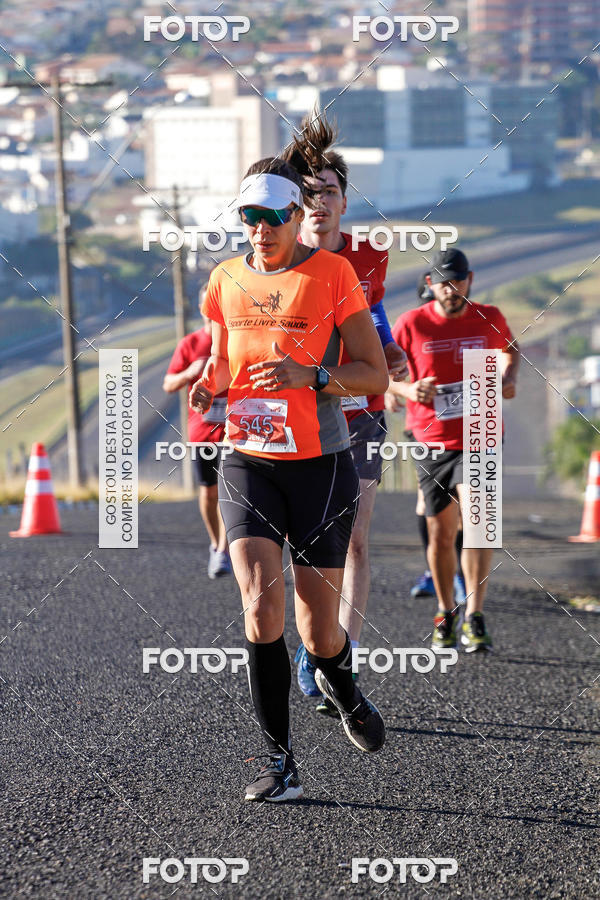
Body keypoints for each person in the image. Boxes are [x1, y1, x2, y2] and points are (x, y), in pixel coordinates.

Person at [190, 154, 389, 802]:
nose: (262, 229)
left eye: (275, 217)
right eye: (251, 217)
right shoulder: (222, 280)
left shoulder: (332, 276)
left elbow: (375, 373)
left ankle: (343, 684)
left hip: (320, 466)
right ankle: (279, 764)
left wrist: (314, 378)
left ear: (298, 218)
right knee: (257, 606)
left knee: (318, 630)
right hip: (247, 460)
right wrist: (208, 384)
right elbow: (222, 361)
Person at [290, 113, 408, 716]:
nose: (319, 202)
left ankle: (343, 658)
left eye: (329, 191)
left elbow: (376, 323)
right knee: (312, 543)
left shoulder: (370, 259)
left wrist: (391, 352)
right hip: (301, 415)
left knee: (357, 537)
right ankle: (316, 641)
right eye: (308, 193)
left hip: (360, 409)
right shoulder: (280, 261)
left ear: (344, 201)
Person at [389, 248, 519, 652]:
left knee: (479, 521)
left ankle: (475, 614)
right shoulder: (411, 324)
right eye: (444, 282)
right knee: (441, 534)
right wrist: (409, 389)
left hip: (480, 435)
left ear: (470, 280)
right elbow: (381, 373)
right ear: (431, 285)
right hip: (430, 439)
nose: (452, 289)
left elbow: (509, 351)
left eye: (458, 281)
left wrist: (508, 376)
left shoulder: (490, 316)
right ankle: (446, 610)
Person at [389, 272, 466, 604]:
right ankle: (435, 571)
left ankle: (460, 573)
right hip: (424, 428)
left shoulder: (463, 323)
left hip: (465, 431)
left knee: (464, 506)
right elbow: (392, 370)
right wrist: (396, 390)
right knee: (429, 502)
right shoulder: (414, 323)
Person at [163, 285, 231, 579]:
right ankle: (216, 545)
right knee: (209, 492)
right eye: (208, 305)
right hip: (202, 432)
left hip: (235, 431)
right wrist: (191, 373)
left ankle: (225, 552)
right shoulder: (190, 343)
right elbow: (168, 384)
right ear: (203, 308)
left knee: (231, 493)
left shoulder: (233, 340)